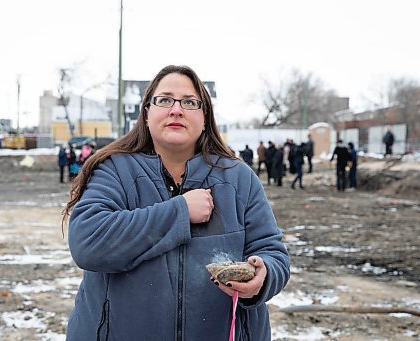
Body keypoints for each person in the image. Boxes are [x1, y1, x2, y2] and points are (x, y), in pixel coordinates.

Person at [62, 65, 290, 341]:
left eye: (190, 102)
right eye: (164, 99)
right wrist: (180, 212)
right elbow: (88, 242)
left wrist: (262, 278)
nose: (176, 109)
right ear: (146, 113)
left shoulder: (238, 179)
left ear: (205, 118)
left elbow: (273, 253)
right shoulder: (114, 171)